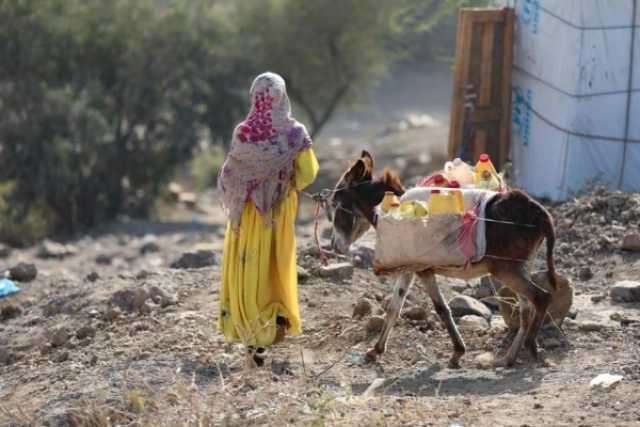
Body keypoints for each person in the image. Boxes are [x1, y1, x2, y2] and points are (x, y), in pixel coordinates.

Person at [217, 72, 319, 366]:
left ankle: (249, 335)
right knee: (273, 267)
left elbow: (229, 174)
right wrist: (284, 181)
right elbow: (308, 174)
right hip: (275, 212)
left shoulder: (243, 132)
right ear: (281, 97)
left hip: (244, 215)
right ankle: (267, 331)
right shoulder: (294, 134)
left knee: (247, 267)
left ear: (255, 97)